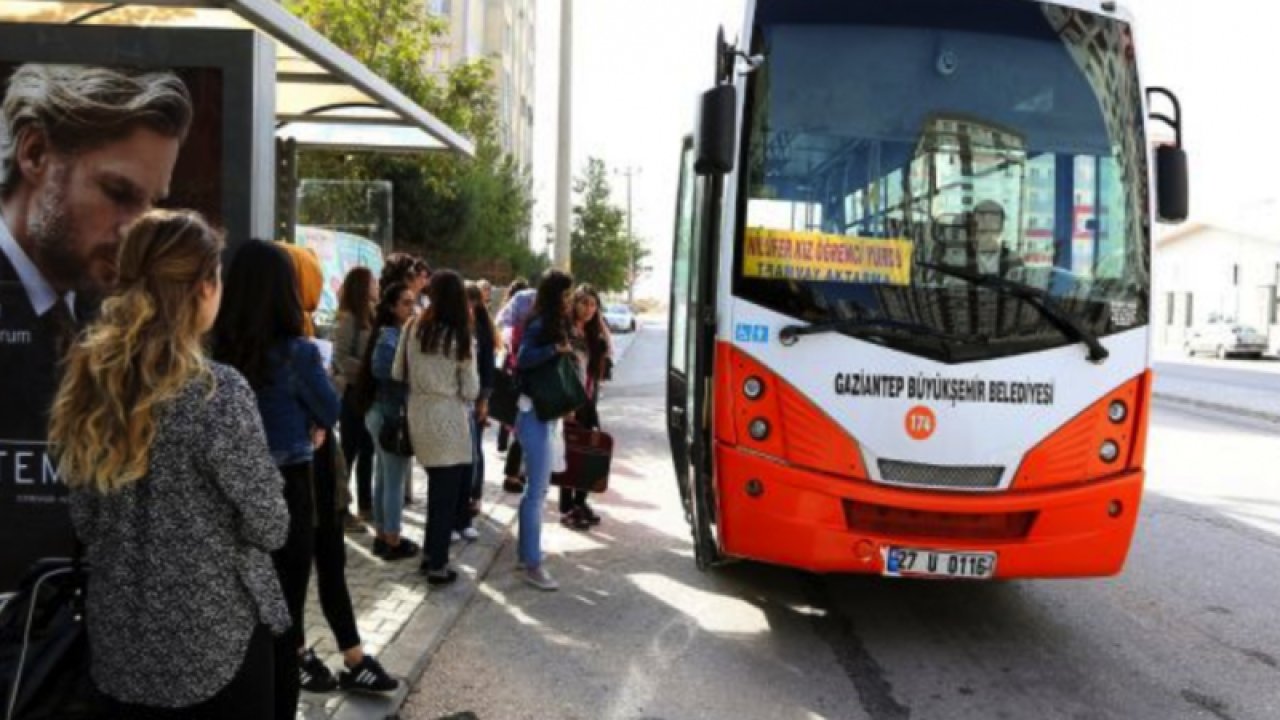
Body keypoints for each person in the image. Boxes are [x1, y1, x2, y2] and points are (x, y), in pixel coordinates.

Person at [53, 209, 286, 718]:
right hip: (215, 643)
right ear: (203, 288)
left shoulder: (94, 386)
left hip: (120, 648)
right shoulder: (218, 394)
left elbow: (86, 522)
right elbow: (271, 525)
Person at [0, 63, 193, 588]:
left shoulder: (111, 315)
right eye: (118, 193)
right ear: (35, 153)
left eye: (152, 204)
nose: (138, 230)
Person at [212, 238, 341, 720]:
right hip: (287, 488)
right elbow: (331, 408)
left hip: (226, 490)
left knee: (236, 617)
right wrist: (313, 418)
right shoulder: (298, 354)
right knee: (284, 618)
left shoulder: (216, 350)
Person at [282, 246, 397, 695]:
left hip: (322, 472)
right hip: (297, 476)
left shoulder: (305, 333)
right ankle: (298, 655)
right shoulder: (284, 346)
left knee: (332, 563)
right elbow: (327, 403)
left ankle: (353, 656)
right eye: (309, 277)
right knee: (296, 575)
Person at [395, 269, 479, 586]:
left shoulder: (412, 326)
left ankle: (430, 555)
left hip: (418, 412)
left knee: (436, 491)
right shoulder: (460, 335)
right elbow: (471, 389)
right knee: (445, 496)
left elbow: (397, 371)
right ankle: (437, 566)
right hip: (449, 418)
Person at [513, 269, 576, 591]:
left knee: (536, 492)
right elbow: (522, 358)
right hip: (534, 414)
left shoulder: (549, 323)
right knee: (537, 493)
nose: (570, 300)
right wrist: (554, 351)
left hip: (541, 415)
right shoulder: (540, 324)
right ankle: (533, 565)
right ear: (555, 296)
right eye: (566, 294)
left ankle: (526, 554)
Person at [359, 281, 420, 561]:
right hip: (388, 415)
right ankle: (392, 539)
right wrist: (409, 373)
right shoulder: (390, 336)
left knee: (384, 477)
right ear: (393, 307)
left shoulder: (395, 333)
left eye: (413, 302)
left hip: (383, 413)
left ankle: (383, 535)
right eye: (406, 303)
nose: (412, 308)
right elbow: (381, 369)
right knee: (393, 479)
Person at [560, 284, 611, 531]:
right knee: (570, 453)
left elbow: (607, 353)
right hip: (568, 400)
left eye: (593, 305)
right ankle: (568, 507)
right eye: (584, 303)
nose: (589, 309)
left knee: (590, 451)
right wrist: (566, 407)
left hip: (587, 399)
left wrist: (600, 328)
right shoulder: (566, 330)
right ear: (574, 303)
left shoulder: (592, 332)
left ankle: (580, 502)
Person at [332, 266, 378, 525]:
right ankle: (340, 507)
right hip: (353, 393)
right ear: (362, 286)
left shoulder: (372, 314)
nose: (377, 286)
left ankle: (366, 505)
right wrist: (367, 369)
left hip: (369, 393)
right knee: (348, 450)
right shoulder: (349, 318)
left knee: (368, 449)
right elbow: (340, 358)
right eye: (372, 282)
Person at [454, 281, 498, 540]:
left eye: (472, 302)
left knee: (473, 454)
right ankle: (457, 513)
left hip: (474, 401)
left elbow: (488, 369)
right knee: (459, 458)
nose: (469, 308)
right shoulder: (453, 330)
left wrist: (483, 401)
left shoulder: (481, 331)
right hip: (454, 405)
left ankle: (472, 501)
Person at [968, 200, 1023, 275]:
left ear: (1001, 227)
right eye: (982, 218)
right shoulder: (960, 258)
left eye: (992, 220)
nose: (987, 224)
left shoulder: (1013, 260)